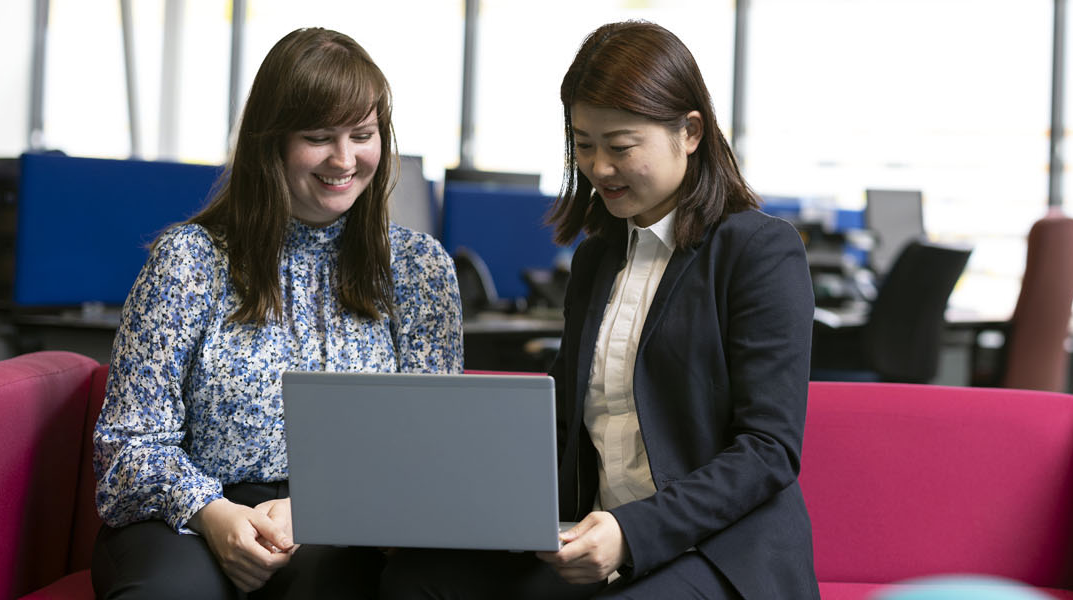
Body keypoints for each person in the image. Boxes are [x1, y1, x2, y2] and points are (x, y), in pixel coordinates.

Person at [380, 20, 817, 599]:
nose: (598, 167)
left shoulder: (758, 251)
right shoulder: (597, 257)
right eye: (583, 145)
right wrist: (457, 511)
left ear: (689, 132)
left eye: (620, 147)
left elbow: (768, 451)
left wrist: (631, 533)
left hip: (717, 550)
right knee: (418, 581)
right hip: (590, 534)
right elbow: (558, 422)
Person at [91, 27, 463, 599]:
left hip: (345, 523)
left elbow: (430, 453)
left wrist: (319, 507)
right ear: (273, 144)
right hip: (190, 514)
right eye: (318, 137)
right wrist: (212, 513)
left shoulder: (417, 269)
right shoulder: (190, 261)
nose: (344, 159)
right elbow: (128, 445)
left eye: (362, 135)